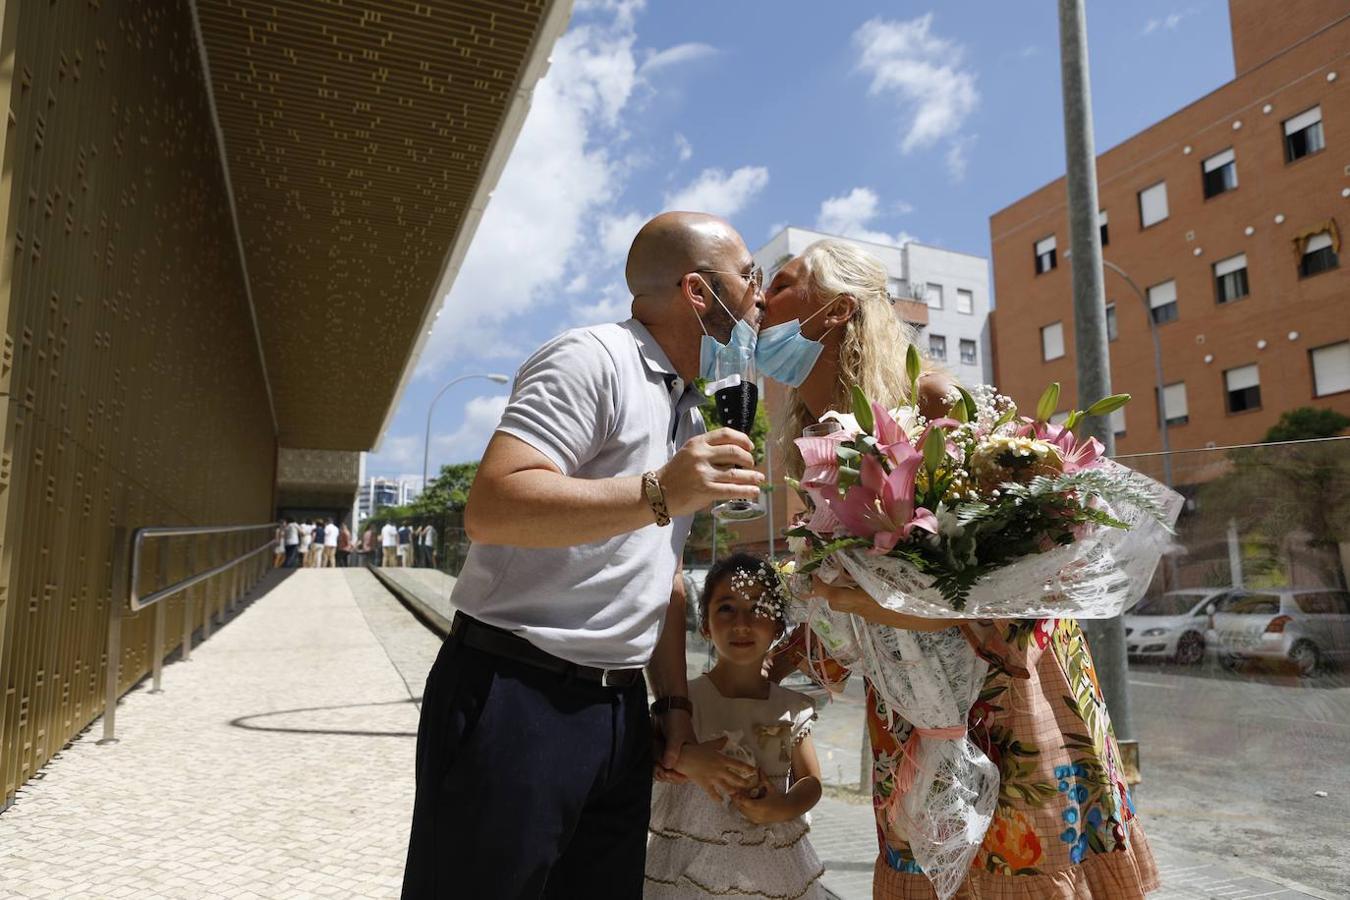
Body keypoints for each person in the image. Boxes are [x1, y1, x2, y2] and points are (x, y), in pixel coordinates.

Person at [760, 239, 1159, 899]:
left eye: (781, 282)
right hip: (912, 707)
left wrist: (881, 607)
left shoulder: (935, 401)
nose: (758, 299)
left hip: (1005, 697)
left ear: (833, 312)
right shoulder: (812, 445)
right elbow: (849, 593)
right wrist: (781, 667)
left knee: (1014, 866)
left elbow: (1019, 575)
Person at [402, 212, 766, 899]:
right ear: (698, 291)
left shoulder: (692, 410)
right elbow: (492, 506)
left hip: (620, 714)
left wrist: (672, 710)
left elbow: (662, 575)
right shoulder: (591, 358)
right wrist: (662, 491)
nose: (760, 297)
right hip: (516, 695)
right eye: (749, 277)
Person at [645, 554, 825, 899]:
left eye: (758, 608)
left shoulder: (790, 708)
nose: (742, 623)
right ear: (706, 625)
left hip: (771, 871)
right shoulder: (682, 703)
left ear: (778, 627)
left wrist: (783, 807)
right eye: (726, 608)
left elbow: (810, 781)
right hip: (688, 869)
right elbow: (646, 752)